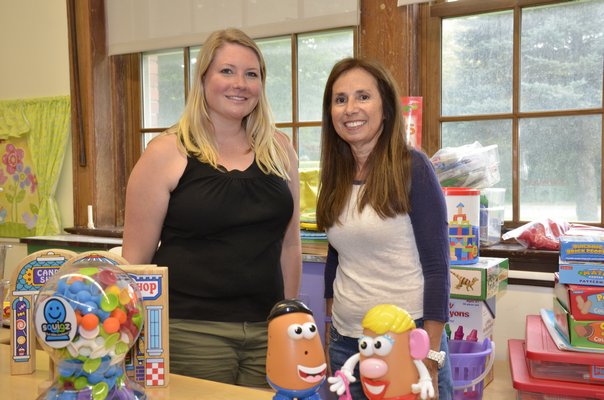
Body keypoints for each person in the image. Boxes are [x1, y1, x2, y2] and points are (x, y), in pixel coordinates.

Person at [122, 28, 302, 388]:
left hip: (267, 329)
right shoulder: (166, 152)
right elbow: (135, 262)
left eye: (252, 74)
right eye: (227, 71)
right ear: (203, 78)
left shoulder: (280, 149)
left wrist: (288, 318)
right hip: (190, 332)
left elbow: (290, 245)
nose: (240, 83)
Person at [316, 57, 453, 399]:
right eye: (340, 99)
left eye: (363, 96)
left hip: (409, 341)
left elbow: (438, 268)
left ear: (386, 107)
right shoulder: (335, 173)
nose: (351, 108)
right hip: (347, 342)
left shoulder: (413, 168)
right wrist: (334, 322)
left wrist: (432, 357)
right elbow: (338, 255)